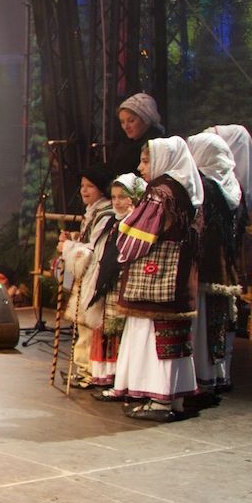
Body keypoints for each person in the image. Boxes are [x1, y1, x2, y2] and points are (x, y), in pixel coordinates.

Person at [106, 138, 203, 421]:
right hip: (179, 278)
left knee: (153, 338)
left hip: (157, 280)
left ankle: (160, 400)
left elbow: (137, 235)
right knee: (174, 337)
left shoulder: (160, 193)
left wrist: (121, 244)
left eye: (146, 161)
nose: (140, 167)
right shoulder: (186, 190)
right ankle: (175, 398)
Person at [186, 132, 243, 395]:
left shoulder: (205, 187)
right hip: (224, 264)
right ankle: (219, 375)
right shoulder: (232, 185)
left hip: (207, 262)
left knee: (203, 322)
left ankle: (201, 377)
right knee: (218, 320)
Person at [82, 174, 146, 387]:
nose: (117, 202)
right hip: (107, 284)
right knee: (105, 328)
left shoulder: (136, 224)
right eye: (114, 197)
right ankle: (103, 374)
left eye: (122, 197)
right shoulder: (112, 221)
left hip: (124, 285)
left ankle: (119, 377)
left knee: (118, 329)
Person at [57, 165, 117, 388]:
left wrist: (67, 247)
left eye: (90, 186)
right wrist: (74, 239)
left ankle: (90, 372)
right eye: (82, 186)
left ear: (101, 188)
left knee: (90, 328)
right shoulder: (93, 212)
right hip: (87, 277)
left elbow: (93, 250)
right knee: (82, 326)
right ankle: (83, 368)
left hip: (96, 277)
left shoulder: (105, 214)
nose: (84, 190)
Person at [109, 93, 167, 177]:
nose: (126, 126)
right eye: (122, 122)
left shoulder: (154, 146)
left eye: (131, 121)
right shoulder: (125, 143)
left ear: (145, 119)